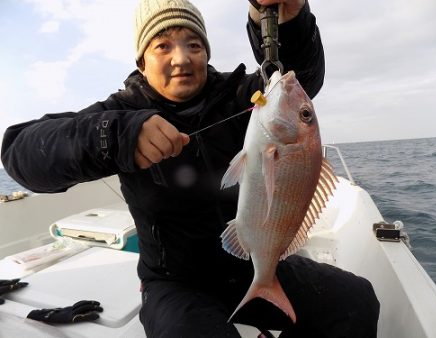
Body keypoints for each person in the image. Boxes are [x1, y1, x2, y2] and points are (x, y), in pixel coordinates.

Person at [1, 0, 380, 337]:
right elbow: (20, 152)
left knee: (356, 301)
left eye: (194, 44)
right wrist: (116, 135)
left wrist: (290, 18)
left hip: (250, 262)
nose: (181, 58)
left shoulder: (244, 97)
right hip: (174, 283)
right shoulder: (120, 113)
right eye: (163, 45)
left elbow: (299, 81)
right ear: (141, 60)